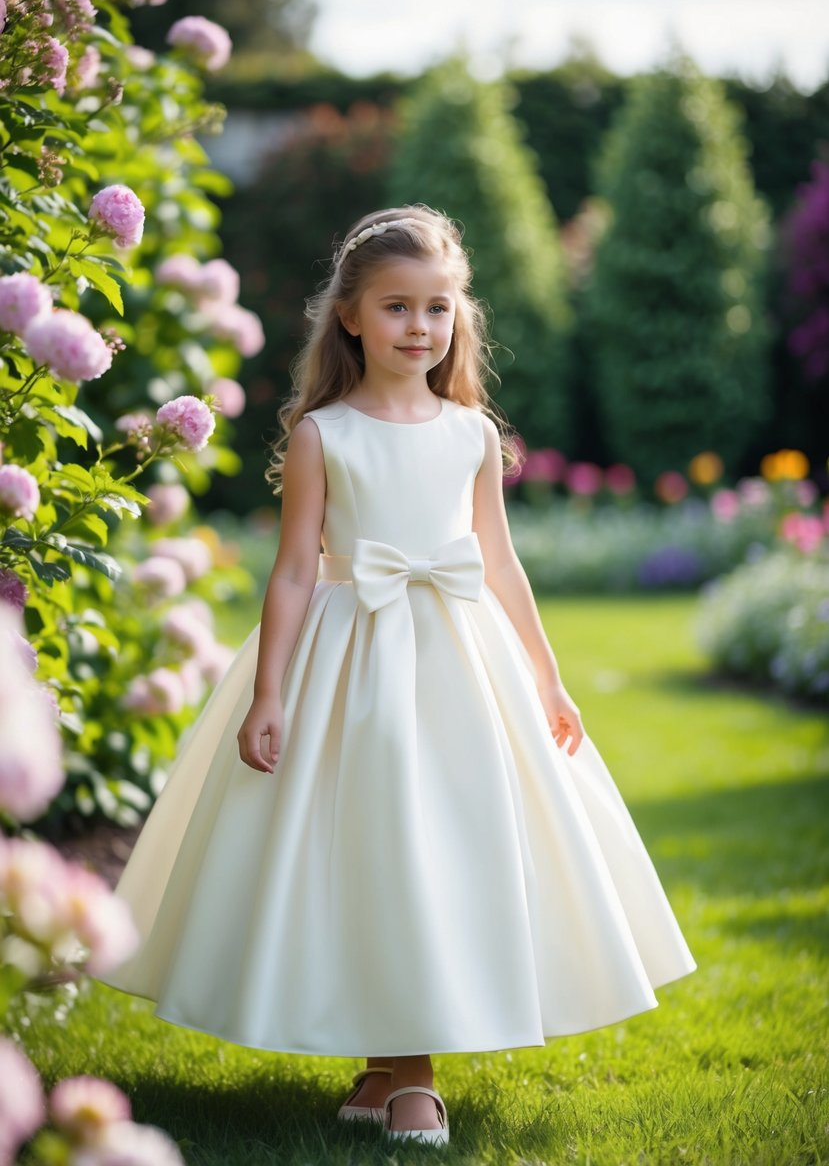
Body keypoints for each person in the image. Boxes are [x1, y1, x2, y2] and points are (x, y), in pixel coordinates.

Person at [99, 204, 697, 1149]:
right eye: (395, 308)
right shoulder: (322, 436)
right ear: (349, 317)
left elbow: (498, 564)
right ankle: (399, 1069)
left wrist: (547, 680)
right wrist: (269, 692)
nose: (417, 328)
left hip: (460, 663)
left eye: (436, 308)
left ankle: (399, 1069)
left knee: (440, 847)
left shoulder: (469, 433)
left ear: (458, 318)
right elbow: (296, 568)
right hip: (353, 661)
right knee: (372, 845)